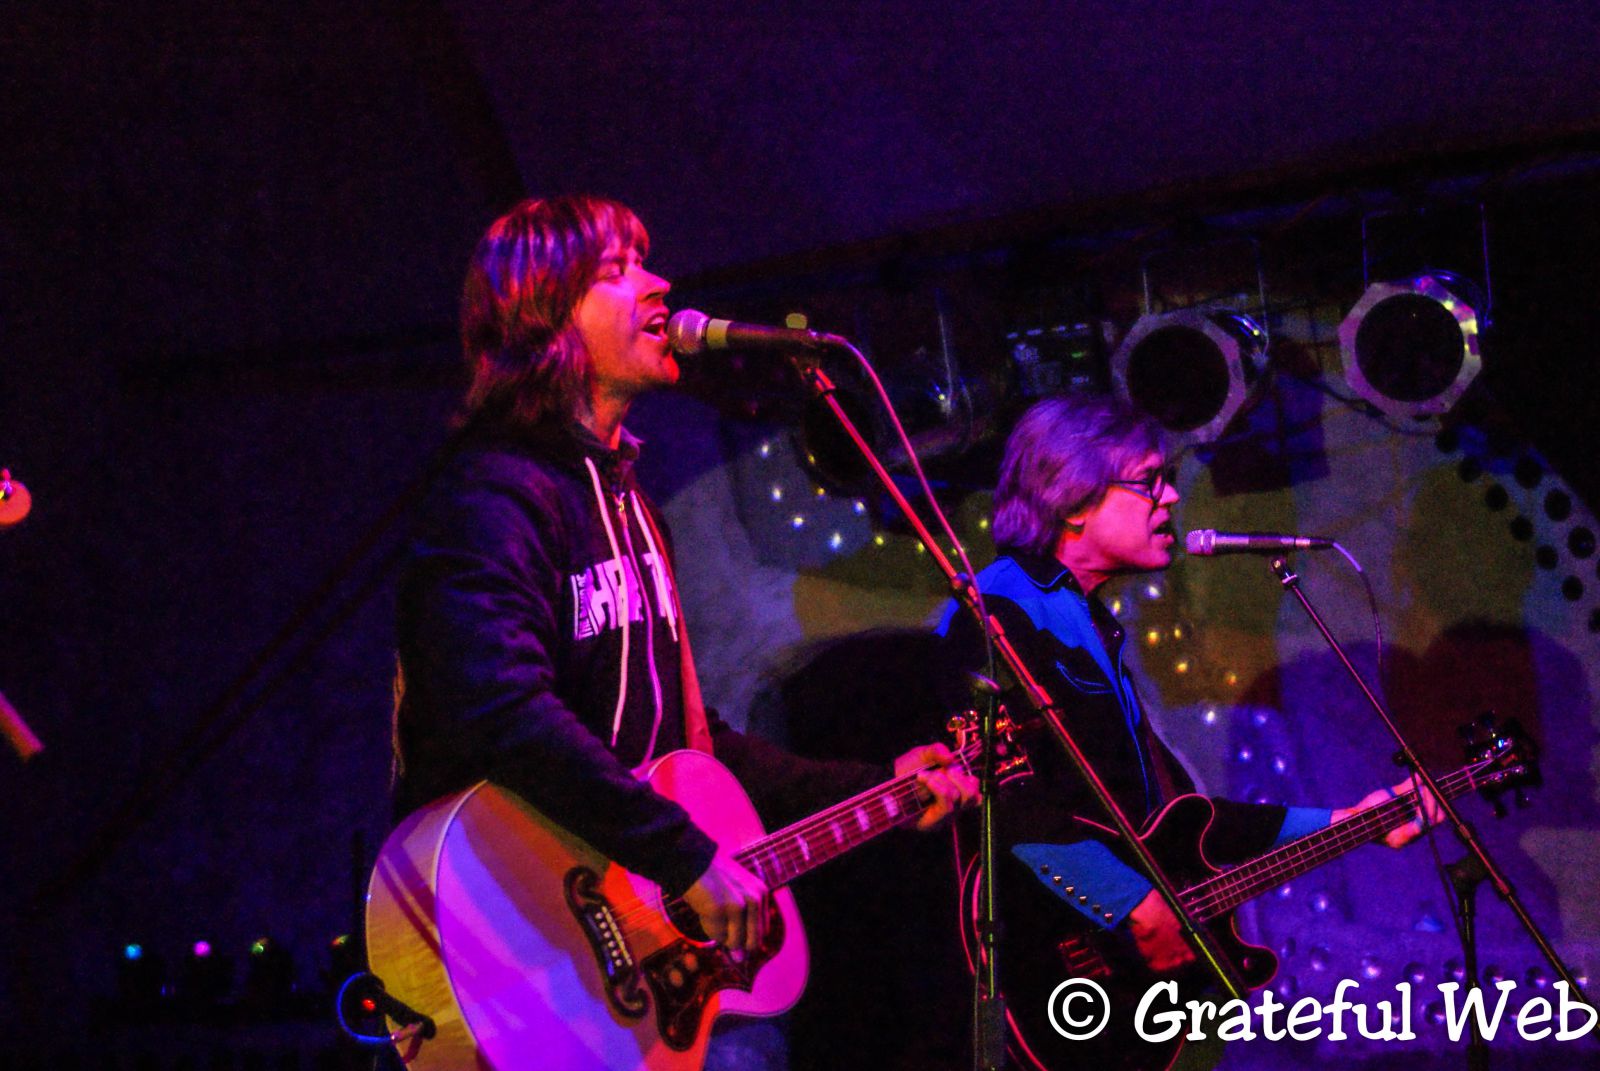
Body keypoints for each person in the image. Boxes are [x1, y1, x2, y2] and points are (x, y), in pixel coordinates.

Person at [391, 194, 978, 954]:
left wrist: (874, 788)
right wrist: (683, 855)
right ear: (546, 313)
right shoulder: (495, 492)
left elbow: (691, 746)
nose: (659, 283)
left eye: (644, 262)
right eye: (617, 270)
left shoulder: (635, 508)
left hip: (610, 927)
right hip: (505, 928)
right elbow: (500, 708)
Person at [939, 393, 1436, 972]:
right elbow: (1002, 790)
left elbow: (1176, 825)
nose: (1171, 497)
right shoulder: (997, 608)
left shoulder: (1090, 621)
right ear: (1073, 498)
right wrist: (1127, 901)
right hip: (1043, 961)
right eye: (1149, 481)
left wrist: (1345, 824)